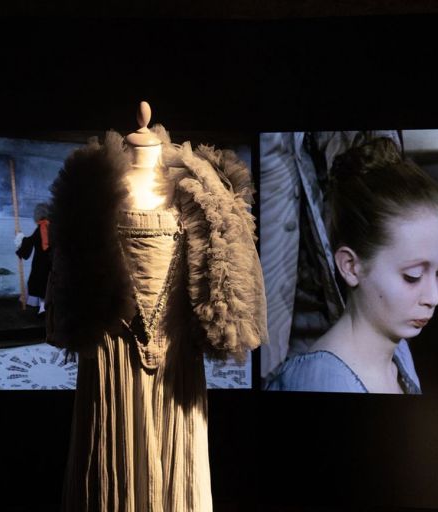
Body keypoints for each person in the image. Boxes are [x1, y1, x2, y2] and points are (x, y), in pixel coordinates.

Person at [47, 104, 267, 511]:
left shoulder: (203, 194)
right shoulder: (87, 191)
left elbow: (230, 294)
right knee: (107, 473)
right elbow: (65, 301)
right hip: (107, 363)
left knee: (177, 474)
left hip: (177, 366)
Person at [266, 137, 438, 394]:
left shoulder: (399, 350)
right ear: (351, 266)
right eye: (413, 276)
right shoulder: (320, 382)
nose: (433, 297)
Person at [14, 202, 52, 313]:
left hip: (41, 263)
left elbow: (30, 241)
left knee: (40, 284)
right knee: (46, 284)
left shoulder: (41, 228)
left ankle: (42, 308)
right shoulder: (52, 227)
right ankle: (44, 307)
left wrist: (20, 237)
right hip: (51, 262)